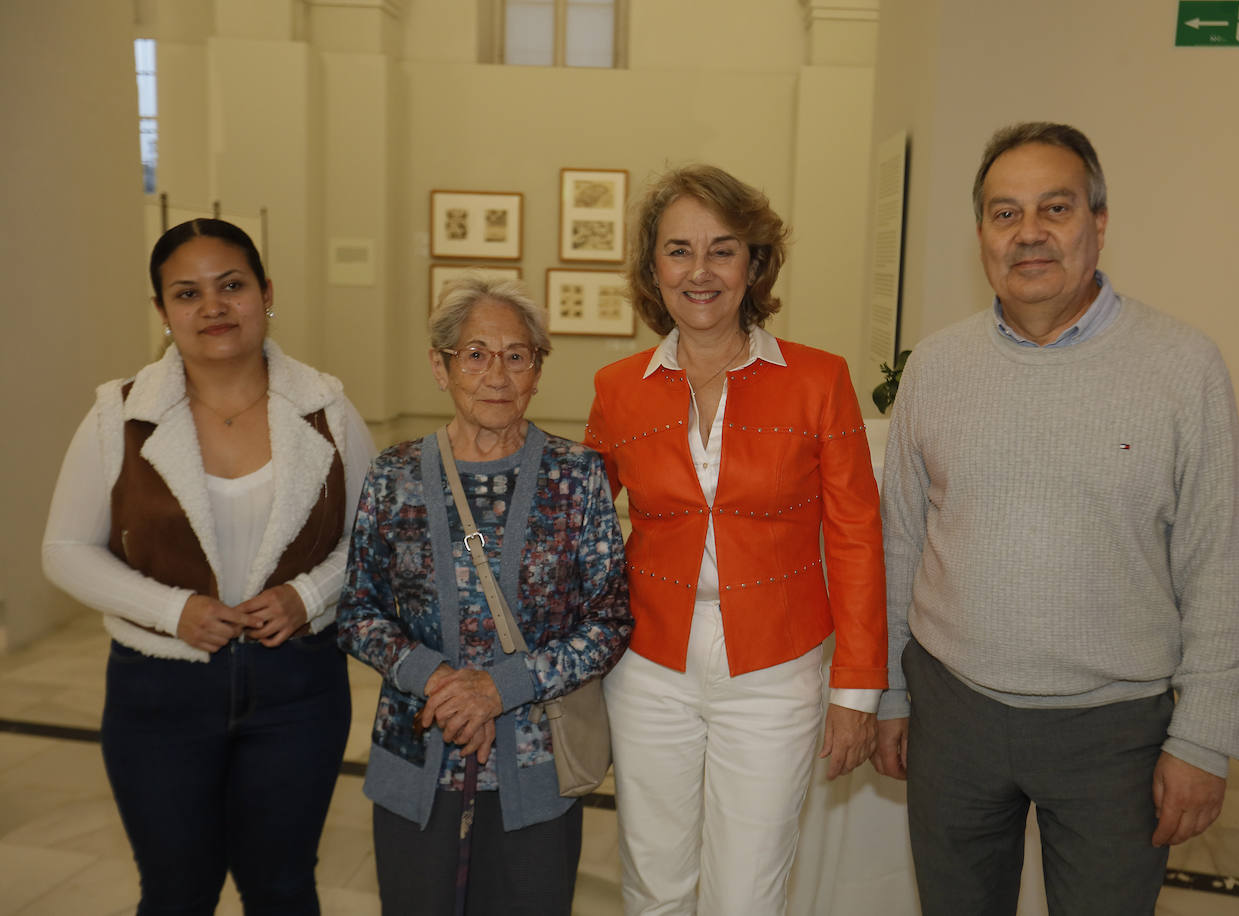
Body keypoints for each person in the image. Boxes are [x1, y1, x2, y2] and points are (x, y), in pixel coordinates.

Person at [872, 122, 1239, 915]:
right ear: (981, 232)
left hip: (1114, 736)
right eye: (1004, 213)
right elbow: (900, 544)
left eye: (1055, 208)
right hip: (955, 717)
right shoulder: (938, 367)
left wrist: (1204, 739)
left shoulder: (1183, 367)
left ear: (1099, 221)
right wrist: (890, 694)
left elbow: (1219, 565)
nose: (1030, 234)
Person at [41, 217, 375, 914]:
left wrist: (307, 595)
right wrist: (174, 611)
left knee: (282, 887)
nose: (213, 307)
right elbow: (66, 550)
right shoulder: (118, 415)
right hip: (158, 693)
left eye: (232, 286)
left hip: (298, 689)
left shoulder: (328, 409)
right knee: (175, 891)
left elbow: (372, 543)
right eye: (187, 294)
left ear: (266, 293)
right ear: (163, 312)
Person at [584, 164, 887, 916]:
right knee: (655, 884)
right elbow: (579, 527)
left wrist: (856, 689)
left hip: (775, 673)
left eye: (722, 249)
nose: (700, 271)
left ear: (755, 264)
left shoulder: (819, 381)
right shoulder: (618, 387)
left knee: (747, 893)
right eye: (678, 250)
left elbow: (855, 536)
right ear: (653, 270)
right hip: (649, 666)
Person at [337, 276, 632, 916]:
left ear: (537, 371)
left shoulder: (576, 475)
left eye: (516, 355)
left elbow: (609, 622)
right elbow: (357, 611)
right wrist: (437, 679)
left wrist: (503, 687)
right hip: (416, 751)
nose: (496, 374)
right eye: (475, 354)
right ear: (441, 368)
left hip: (537, 763)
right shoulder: (394, 474)